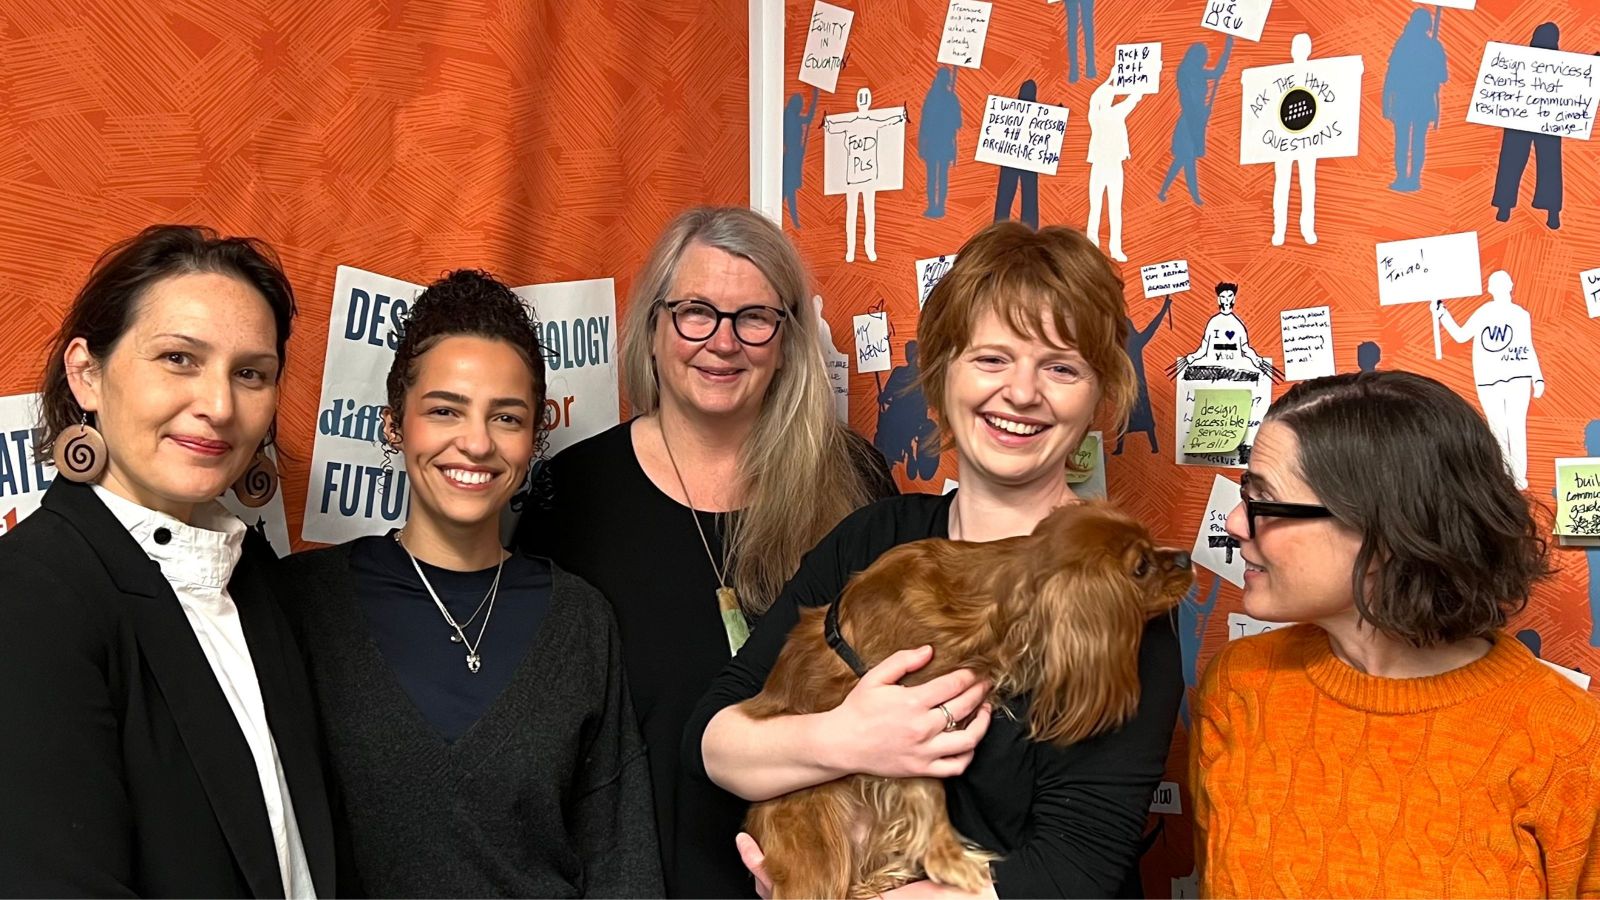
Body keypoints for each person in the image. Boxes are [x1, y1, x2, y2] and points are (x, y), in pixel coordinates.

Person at [688, 219, 1184, 898]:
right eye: (991, 358)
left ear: (1100, 394)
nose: (1022, 392)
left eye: (1061, 367)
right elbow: (715, 740)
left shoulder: (1120, 587)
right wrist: (846, 740)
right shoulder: (875, 540)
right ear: (942, 369)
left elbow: (1074, 874)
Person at [513, 206, 894, 897]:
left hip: (827, 879)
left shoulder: (856, 484)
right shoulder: (569, 495)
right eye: (696, 312)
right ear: (654, 328)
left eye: (754, 317)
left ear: (787, 339)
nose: (723, 342)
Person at [279, 270, 661, 897]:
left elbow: (622, 860)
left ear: (536, 436)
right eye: (444, 411)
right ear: (394, 424)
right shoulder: (302, 604)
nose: (476, 443)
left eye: (506, 417)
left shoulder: (579, 621)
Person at [0, 225, 334, 896]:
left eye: (250, 373)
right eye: (180, 358)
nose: (218, 406)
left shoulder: (256, 577)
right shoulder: (31, 592)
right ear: (87, 374)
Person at [1191, 371, 1600, 897]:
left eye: (1263, 500)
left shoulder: (1568, 741)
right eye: (1246, 491)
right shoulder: (1241, 686)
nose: (1234, 521)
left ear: (1387, 531)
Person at [1436, 269, 1544, 490]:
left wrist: (1537, 377)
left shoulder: (1520, 315)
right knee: (1497, 428)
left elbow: (1527, 346)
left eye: (1503, 284)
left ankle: (1519, 478)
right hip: (1489, 379)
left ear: (1510, 286)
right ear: (1491, 289)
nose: (1500, 288)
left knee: (1515, 426)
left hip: (1518, 377)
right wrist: (1442, 314)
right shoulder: (1483, 313)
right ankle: (1505, 476)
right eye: (1495, 284)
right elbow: (1461, 335)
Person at [1492, 22, 1565, 228]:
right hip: (1535, 116)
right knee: (1548, 164)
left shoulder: (1564, 67)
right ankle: (1551, 212)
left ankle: (1506, 206)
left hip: (1531, 116)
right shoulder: (1560, 65)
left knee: (1513, 161)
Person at [1159, 36, 1233, 206]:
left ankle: (1163, 191)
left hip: (1195, 120)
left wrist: (1227, 51)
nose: (1205, 59)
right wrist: (1201, 111)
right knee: (1187, 160)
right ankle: (1195, 197)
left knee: (1181, 161)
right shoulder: (1185, 72)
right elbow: (1189, 99)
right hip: (1189, 123)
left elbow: (1217, 73)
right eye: (1202, 56)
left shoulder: (1197, 72)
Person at [1383, 7, 1447, 192]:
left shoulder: (1405, 44)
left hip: (1410, 100)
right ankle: (1409, 179)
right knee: (1414, 141)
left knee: (1405, 141)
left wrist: (1387, 102)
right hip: (1416, 100)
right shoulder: (1432, 46)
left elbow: (1391, 75)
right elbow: (1442, 76)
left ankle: (1407, 178)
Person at [1086, 73, 1141, 262]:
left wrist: (1111, 81)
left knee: (1111, 207)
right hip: (1102, 166)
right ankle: (1096, 244)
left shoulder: (1106, 113)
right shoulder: (1100, 114)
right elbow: (1130, 99)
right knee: (1101, 207)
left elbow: (1130, 100)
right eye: (1107, 96)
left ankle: (1113, 247)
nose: (1109, 98)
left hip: (1113, 166)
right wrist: (1110, 80)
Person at [919, 67, 962, 219]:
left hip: (935, 142)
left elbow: (925, 122)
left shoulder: (933, 98)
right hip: (941, 142)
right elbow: (958, 123)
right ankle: (937, 207)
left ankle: (935, 206)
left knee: (934, 176)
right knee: (940, 176)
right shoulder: (950, 99)